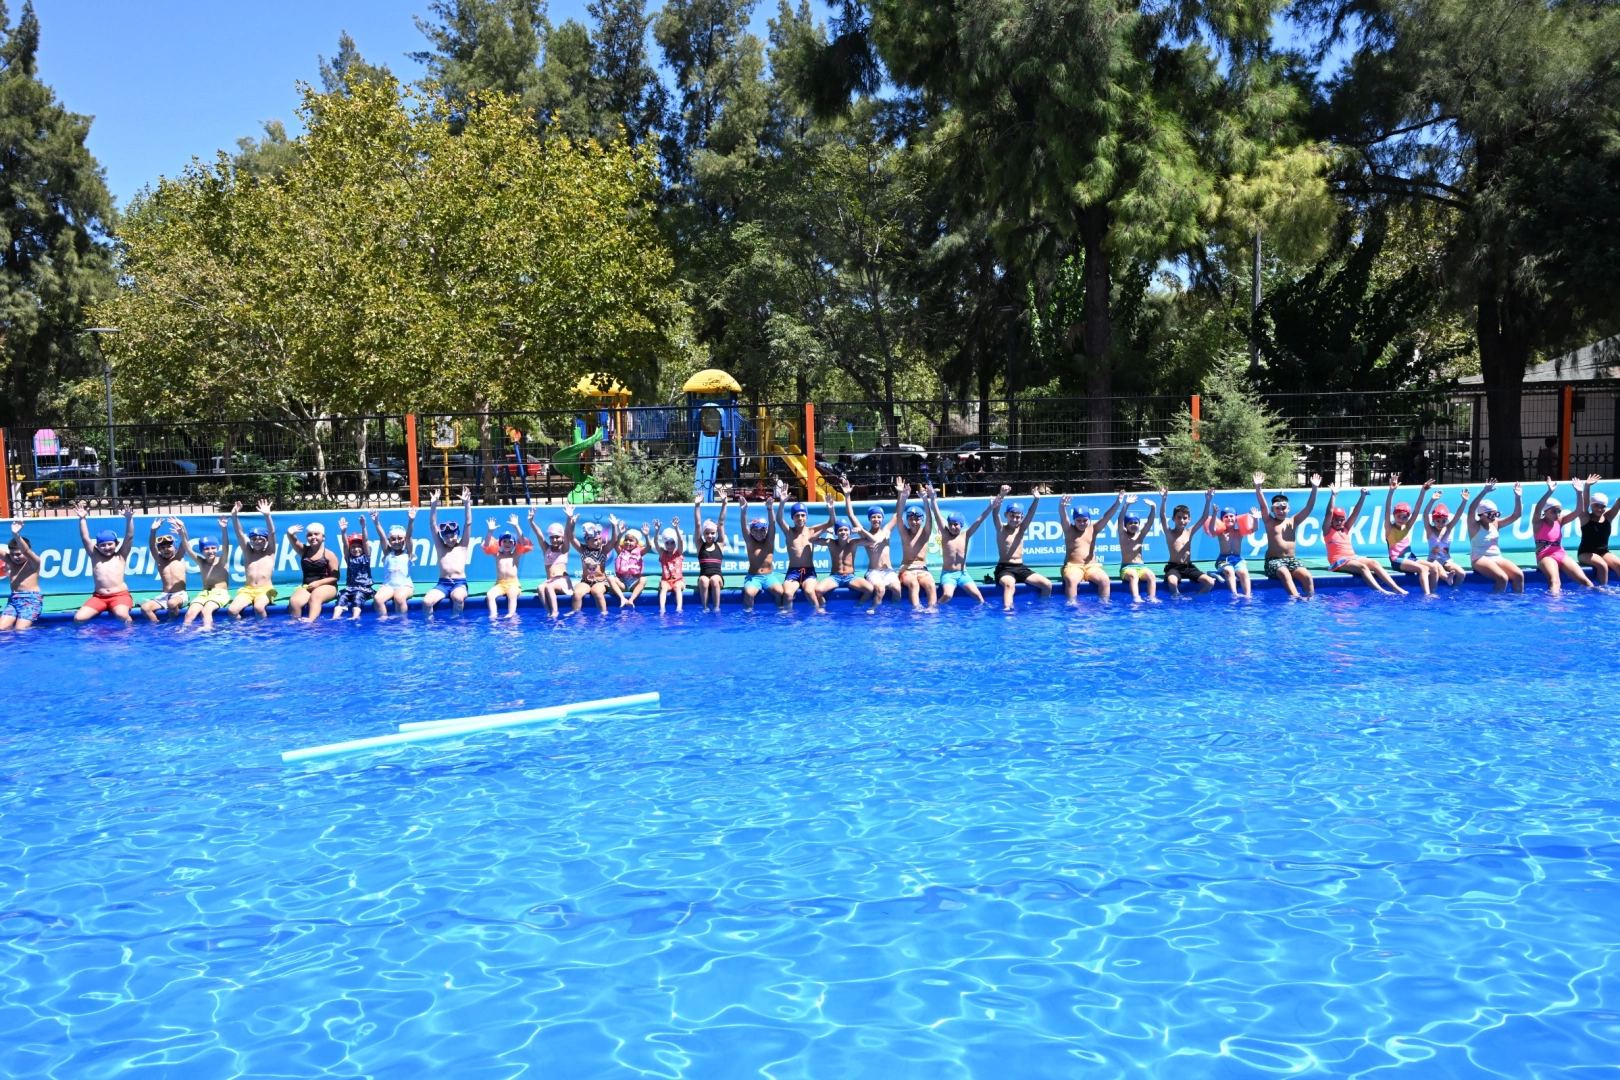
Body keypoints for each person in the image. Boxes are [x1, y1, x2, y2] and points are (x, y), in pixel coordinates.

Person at [1321, 483, 1406, 594]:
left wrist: (1362, 496)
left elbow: (1356, 512)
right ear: (1331, 521)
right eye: (1336, 520)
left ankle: (1395, 588)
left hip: (1352, 557)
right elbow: (1329, 512)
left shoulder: (1345, 528)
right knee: (1362, 567)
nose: (1339, 522)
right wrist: (1334, 495)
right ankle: (1381, 591)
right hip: (1338, 561)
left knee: (1374, 563)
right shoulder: (1327, 531)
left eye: (1342, 520)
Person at [1254, 472, 1321, 598]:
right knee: (1285, 574)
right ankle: (1297, 598)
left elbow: (1309, 507)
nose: (1281, 511)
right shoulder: (1269, 521)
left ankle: (1310, 601)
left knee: (1307, 576)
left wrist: (1315, 488)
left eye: (1284, 508)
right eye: (1277, 508)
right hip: (1273, 561)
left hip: (1291, 560)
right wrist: (1258, 488)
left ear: (1288, 509)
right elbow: (1263, 505)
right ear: (1272, 510)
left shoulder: (1293, 521)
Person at [843, 477, 905, 610]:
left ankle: (895, 611)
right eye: (873, 517)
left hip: (888, 571)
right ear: (869, 519)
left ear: (882, 519)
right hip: (874, 572)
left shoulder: (886, 531)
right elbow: (851, 515)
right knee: (880, 589)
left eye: (878, 517)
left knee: (897, 589)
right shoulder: (864, 533)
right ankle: (872, 610)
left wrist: (900, 493)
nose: (876, 519)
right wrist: (847, 495)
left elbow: (897, 514)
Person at [773, 481, 834, 609]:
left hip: (809, 572)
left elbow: (831, 522)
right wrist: (782, 502)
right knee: (788, 594)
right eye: (797, 516)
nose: (800, 518)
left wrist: (831, 508)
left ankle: (817, 615)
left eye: (802, 515)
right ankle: (788, 617)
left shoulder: (812, 530)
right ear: (792, 518)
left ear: (806, 517)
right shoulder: (789, 532)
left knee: (810, 592)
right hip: (793, 572)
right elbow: (779, 519)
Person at [72, 501, 136, 624]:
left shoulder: (121, 556)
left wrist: (129, 519)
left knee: (122, 615)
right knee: (79, 618)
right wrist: (82, 519)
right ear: (97, 546)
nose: (107, 547)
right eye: (103, 545)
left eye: (110, 544)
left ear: (116, 544)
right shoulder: (95, 556)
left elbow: (129, 537)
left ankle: (131, 632)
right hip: (99, 597)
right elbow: (85, 538)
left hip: (120, 596)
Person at [992, 485, 1052, 609]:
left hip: (1020, 568)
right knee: (1009, 585)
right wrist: (1001, 495)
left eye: (1017, 517)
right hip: (1004, 568)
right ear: (1006, 515)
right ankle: (1007, 611)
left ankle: (1043, 609)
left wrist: (1036, 499)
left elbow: (1031, 513)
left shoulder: (1021, 529)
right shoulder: (1001, 529)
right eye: (1012, 516)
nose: (1014, 519)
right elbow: (995, 513)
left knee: (1047, 584)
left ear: (1021, 517)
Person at [928, 489, 993, 603]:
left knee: (978, 596)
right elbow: (937, 516)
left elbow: (979, 520)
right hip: (948, 574)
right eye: (950, 524)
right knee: (947, 595)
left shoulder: (966, 535)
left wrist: (991, 507)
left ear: (961, 525)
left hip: (963, 574)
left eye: (955, 524)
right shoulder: (945, 534)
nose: (952, 527)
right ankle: (935, 608)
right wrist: (933, 499)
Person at [1532, 478, 1594, 594]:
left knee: (1585, 581)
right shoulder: (1538, 523)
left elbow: (1579, 511)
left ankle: (1597, 596)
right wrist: (1549, 491)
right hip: (1545, 556)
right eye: (1553, 511)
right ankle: (1553, 602)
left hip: (1561, 554)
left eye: (1559, 511)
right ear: (1545, 511)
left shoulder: (1560, 521)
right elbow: (1537, 508)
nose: (1557, 514)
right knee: (1555, 581)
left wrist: (1579, 492)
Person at [1057, 492, 1121, 602]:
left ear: (1089, 519)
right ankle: (1071, 605)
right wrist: (1062, 506)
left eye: (1085, 520)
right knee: (1072, 580)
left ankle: (1103, 605)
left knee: (1105, 580)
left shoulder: (1093, 529)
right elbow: (1064, 517)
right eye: (1079, 520)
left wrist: (1118, 503)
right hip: (1073, 566)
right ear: (1074, 520)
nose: (1082, 523)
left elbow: (1107, 517)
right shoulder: (1069, 530)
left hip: (1091, 566)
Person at [422, 488, 474, 614]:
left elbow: (468, 523)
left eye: (452, 536)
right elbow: (432, 525)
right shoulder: (441, 547)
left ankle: (457, 622)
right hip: (443, 584)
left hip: (459, 583)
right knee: (427, 602)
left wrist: (467, 504)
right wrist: (434, 504)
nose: (450, 539)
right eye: (446, 537)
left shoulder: (463, 546)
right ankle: (430, 624)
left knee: (458, 598)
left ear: (457, 534)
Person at [1383, 476, 1437, 595]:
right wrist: (1391, 492)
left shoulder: (1406, 526)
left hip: (1410, 557)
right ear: (1394, 515)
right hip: (1397, 560)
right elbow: (1387, 511)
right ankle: (1427, 596)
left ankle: (1433, 592)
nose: (1401, 519)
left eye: (1405, 517)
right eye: (1398, 516)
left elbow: (1416, 511)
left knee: (1433, 568)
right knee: (1423, 569)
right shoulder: (1389, 528)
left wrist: (1423, 491)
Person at [1467, 481, 1525, 593]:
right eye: (1490, 514)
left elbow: (1516, 515)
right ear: (1481, 515)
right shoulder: (1474, 526)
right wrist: (1484, 492)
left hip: (1497, 557)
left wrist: (1518, 497)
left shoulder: (1495, 523)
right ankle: (1494, 602)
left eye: (1496, 514)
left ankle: (1517, 601)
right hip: (1479, 558)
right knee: (1502, 578)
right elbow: (1471, 509)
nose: (1493, 517)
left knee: (1519, 575)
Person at [1158, 487, 1215, 595]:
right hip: (1174, 567)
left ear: (1189, 519)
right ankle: (1176, 599)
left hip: (1188, 567)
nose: (1182, 520)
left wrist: (1208, 500)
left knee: (1210, 582)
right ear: (1173, 519)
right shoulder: (1169, 533)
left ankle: (1192, 598)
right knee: (1172, 582)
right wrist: (1164, 500)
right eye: (1179, 517)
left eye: (1184, 518)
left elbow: (1204, 517)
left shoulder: (1190, 532)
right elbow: (1162, 516)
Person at [228, 500, 279, 616]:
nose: (257, 541)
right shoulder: (248, 552)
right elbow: (239, 533)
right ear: (250, 540)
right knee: (232, 611)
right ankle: (241, 628)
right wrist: (234, 516)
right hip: (248, 590)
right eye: (254, 539)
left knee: (259, 608)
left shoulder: (270, 552)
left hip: (265, 590)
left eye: (261, 539)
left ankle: (264, 627)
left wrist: (267, 516)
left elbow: (272, 533)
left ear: (266, 541)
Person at [811, 494, 865, 605]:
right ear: (836, 532)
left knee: (869, 589)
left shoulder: (854, 542)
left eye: (846, 530)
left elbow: (872, 541)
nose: (843, 532)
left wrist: (861, 530)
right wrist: (825, 529)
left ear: (850, 532)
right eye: (840, 530)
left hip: (850, 577)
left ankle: (859, 606)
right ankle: (823, 609)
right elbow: (812, 539)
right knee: (818, 590)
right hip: (835, 577)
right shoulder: (831, 543)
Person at [737, 493, 784, 610]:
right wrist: (743, 510)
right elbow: (743, 526)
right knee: (749, 593)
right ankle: (749, 615)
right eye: (756, 530)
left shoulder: (769, 540)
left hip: (769, 577)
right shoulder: (750, 542)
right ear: (752, 531)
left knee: (780, 591)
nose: (759, 533)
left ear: (766, 530)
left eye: (762, 530)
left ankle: (780, 612)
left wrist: (770, 509)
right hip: (754, 577)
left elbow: (772, 525)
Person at [285, 520, 340, 620]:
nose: (313, 537)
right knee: (294, 601)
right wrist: (290, 533)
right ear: (307, 538)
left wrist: (318, 583)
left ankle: (311, 621)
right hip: (308, 586)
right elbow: (294, 541)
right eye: (310, 535)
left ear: (323, 537)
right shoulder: (303, 551)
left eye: (316, 534)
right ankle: (295, 624)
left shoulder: (329, 555)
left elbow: (335, 577)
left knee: (315, 597)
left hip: (328, 586)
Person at [183, 516, 232, 628]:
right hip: (204, 593)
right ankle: (184, 632)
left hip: (220, 593)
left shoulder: (222, 561)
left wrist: (224, 529)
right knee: (190, 613)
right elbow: (188, 550)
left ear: (217, 548)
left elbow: (226, 547)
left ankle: (207, 631)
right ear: (202, 551)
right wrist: (181, 533)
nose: (210, 551)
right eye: (206, 549)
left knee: (206, 611)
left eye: (213, 548)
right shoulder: (202, 562)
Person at [140, 517, 191, 622]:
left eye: (169, 546)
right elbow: (151, 546)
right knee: (145, 608)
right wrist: (153, 530)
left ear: (175, 547)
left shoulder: (179, 557)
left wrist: (182, 526)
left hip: (180, 595)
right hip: (164, 596)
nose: (166, 549)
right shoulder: (159, 560)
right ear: (159, 550)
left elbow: (185, 541)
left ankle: (173, 626)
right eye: (162, 548)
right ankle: (157, 627)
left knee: (172, 603)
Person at [1204, 501, 1258, 598]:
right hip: (1223, 560)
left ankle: (1247, 595)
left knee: (1244, 572)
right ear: (1222, 520)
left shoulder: (1240, 532)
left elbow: (1254, 529)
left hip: (1237, 560)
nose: (1229, 518)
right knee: (1229, 571)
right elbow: (1212, 529)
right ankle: (1234, 594)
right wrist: (1214, 514)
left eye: (1231, 516)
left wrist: (1255, 518)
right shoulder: (1221, 533)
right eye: (1226, 517)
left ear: (1236, 518)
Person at [482, 514, 532, 617]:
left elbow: (522, 542)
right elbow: (486, 545)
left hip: (513, 584)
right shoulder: (497, 555)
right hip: (499, 584)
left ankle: (511, 614)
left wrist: (516, 526)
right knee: (490, 595)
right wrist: (490, 531)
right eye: (504, 541)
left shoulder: (516, 554)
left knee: (512, 594)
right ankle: (493, 614)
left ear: (514, 544)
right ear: (499, 543)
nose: (507, 544)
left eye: (510, 542)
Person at [369, 509, 417, 616]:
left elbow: (409, 536)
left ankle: (402, 621)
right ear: (389, 541)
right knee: (378, 599)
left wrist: (411, 520)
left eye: (400, 538)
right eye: (393, 539)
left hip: (405, 586)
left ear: (404, 540)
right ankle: (383, 621)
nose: (397, 541)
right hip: (388, 586)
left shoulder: (408, 553)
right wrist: (376, 521)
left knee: (399, 598)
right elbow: (382, 537)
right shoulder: (387, 553)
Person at [1418, 487, 1469, 588]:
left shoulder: (1448, 528)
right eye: (1438, 521)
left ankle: (1454, 591)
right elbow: (1425, 515)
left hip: (1447, 560)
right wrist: (1432, 500)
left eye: (1443, 521)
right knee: (1437, 568)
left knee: (1462, 573)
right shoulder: (1430, 530)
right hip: (1433, 560)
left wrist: (1464, 501)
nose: (1440, 524)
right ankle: (1446, 579)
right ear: (1433, 520)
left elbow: (1458, 515)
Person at [896, 485, 937, 608]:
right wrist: (903, 498)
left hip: (923, 570)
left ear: (921, 520)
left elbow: (930, 519)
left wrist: (925, 499)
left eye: (917, 519)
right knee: (913, 584)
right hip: (907, 570)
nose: (914, 522)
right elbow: (898, 518)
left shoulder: (925, 533)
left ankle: (932, 610)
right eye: (911, 519)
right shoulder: (905, 533)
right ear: (907, 520)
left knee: (931, 585)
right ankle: (916, 610)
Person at [1576, 474, 1620, 586]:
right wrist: (1587, 487)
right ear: (1592, 506)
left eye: (1602, 506)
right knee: (1602, 565)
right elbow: (1584, 505)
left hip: (1603, 552)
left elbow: (1618, 503)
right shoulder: (1586, 518)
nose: (1599, 509)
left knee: (1619, 565)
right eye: (1596, 506)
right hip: (1586, 553)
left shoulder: (1608, 517)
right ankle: (1602, 590)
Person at [528, 510, 574, 617]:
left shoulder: (564, 550)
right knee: (540, 588)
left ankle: (555, 612)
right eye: (552, 537)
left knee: (549, 587)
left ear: (562, 537)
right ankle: (548, 611)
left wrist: (569, 518)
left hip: (562, 581)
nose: (555, 540)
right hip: (550, 581)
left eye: (557, 537)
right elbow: (539, 535)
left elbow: (567, 533)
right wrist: (531, 521)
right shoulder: (546, 549)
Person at [331, 517, 377, 620]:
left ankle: (355, 616)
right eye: (353, 547)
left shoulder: (366, 557)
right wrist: (343, 532)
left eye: (359, 546)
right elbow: (345, 544)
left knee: (358, 597)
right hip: (350, 588)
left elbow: (365, 541)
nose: (356, 549)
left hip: (364, 588)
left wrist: (363, 526)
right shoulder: (349, 558)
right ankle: (335, 617)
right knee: (342, 597)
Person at [0, 521, 43, 631]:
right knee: (1, 629)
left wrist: (16, 534)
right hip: (13, 600)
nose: (15, 557)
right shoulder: (11, 561)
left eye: (18, 554)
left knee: (20, 630)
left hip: (31, 600)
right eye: (12, 554)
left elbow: (26, 550)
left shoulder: (34, 563)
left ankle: (42, 629)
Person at [1115, 495, 1158, 600]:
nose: (1133, 525)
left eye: (1136, 522)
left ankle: (1152, 598)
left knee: (1151, 576)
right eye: (1130, 523)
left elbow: (1149, 522)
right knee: (1133, 575)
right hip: (1126, 568)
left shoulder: (1140, 535)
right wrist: (1126, 504)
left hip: (1141, 567)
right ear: (1126, 525)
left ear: (1139, 524)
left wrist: (1153, 508)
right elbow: (1120, 520)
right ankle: (1136, 597)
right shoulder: (1123, 535)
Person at [571, 513, 616, 614]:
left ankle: (603, 613)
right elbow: (572, 538)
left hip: (601, 581)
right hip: (586, 582)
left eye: (600, 539)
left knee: (597, 592)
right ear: (587, 541)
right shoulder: (583, 550)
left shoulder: (603, 550)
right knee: (577, 593)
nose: (599, 541)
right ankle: (576, 615)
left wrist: (614, 525)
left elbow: (614, 540)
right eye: (595, 540)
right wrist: (572, 523)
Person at [694, 494, 729, 611]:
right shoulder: (700, 545)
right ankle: (705, 608)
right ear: (703, 534)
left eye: (712, 533)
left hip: (717, 579)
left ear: (716, 533)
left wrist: (724, 503)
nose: (710, 535)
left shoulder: (720, 544)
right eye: (707, 533)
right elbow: (698, 525)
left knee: (714, 579)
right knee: (704, 580)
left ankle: (716, 608)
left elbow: (721, 523)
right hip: (703, 578)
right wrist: (697, 505)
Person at [607, 517, 651, 607]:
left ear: (637, 543)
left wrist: (646, 536)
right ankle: (622, 599)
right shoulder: (621, 551)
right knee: (610, 578)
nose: (627, 542)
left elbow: (649, 546)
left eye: (631, 540)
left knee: (644, 579)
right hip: (622, 583)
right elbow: (616, 544)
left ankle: (631, 600)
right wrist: (621, 533)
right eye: (626, 540)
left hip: (634, 583)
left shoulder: (640, 552)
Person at [651, 516, 686, 612]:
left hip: (678, 580)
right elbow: (655, 542)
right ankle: (662, 608)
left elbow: (681, 540)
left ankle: (679, 608)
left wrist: (676, 528)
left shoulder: (678, 553)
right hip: (666, 580)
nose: (670, 546)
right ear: (664, 544)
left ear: (675, 543)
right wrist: (657, 531)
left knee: (677, 587)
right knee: (663, 587)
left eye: (672, 543)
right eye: (667, 543)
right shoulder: (663, 554)